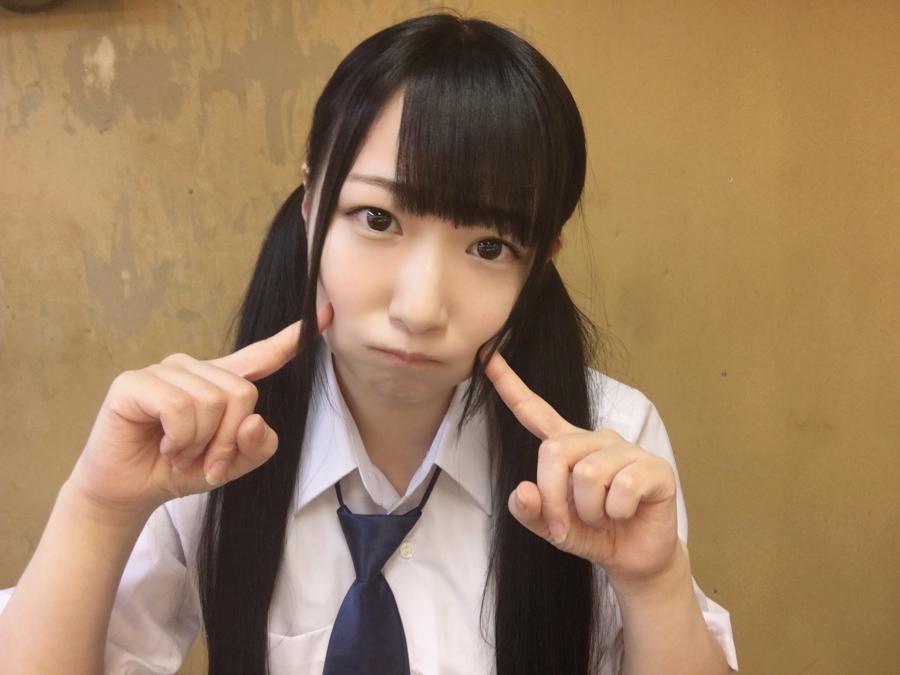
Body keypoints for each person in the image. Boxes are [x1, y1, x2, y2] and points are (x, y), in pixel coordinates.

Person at [0, 11, 738, 675]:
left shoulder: (609, 438)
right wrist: (98, 506)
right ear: (312, 201)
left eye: (488, 246)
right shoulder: (203, 437)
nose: (419, 309)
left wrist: (655, 584)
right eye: (378, 219)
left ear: (540, 261)